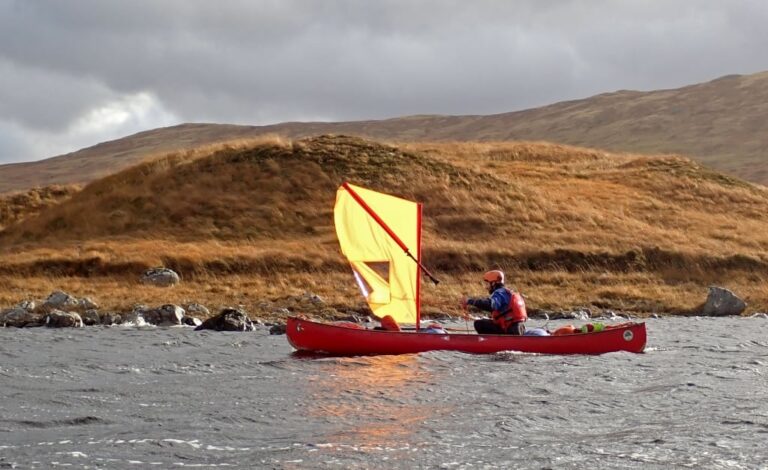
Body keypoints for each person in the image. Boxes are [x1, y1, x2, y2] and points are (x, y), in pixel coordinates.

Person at [462, 270, 527, 335]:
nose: (486, 287)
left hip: (509, 330)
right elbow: (501, 316)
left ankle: (490, 343)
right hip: (519, 329)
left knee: (479, 324)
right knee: (484, 321)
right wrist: (473, 317)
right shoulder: (508, 292)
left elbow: (490, 305)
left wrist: (470, 301)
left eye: (487, 284)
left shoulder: (499, 293)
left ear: (493, 283)